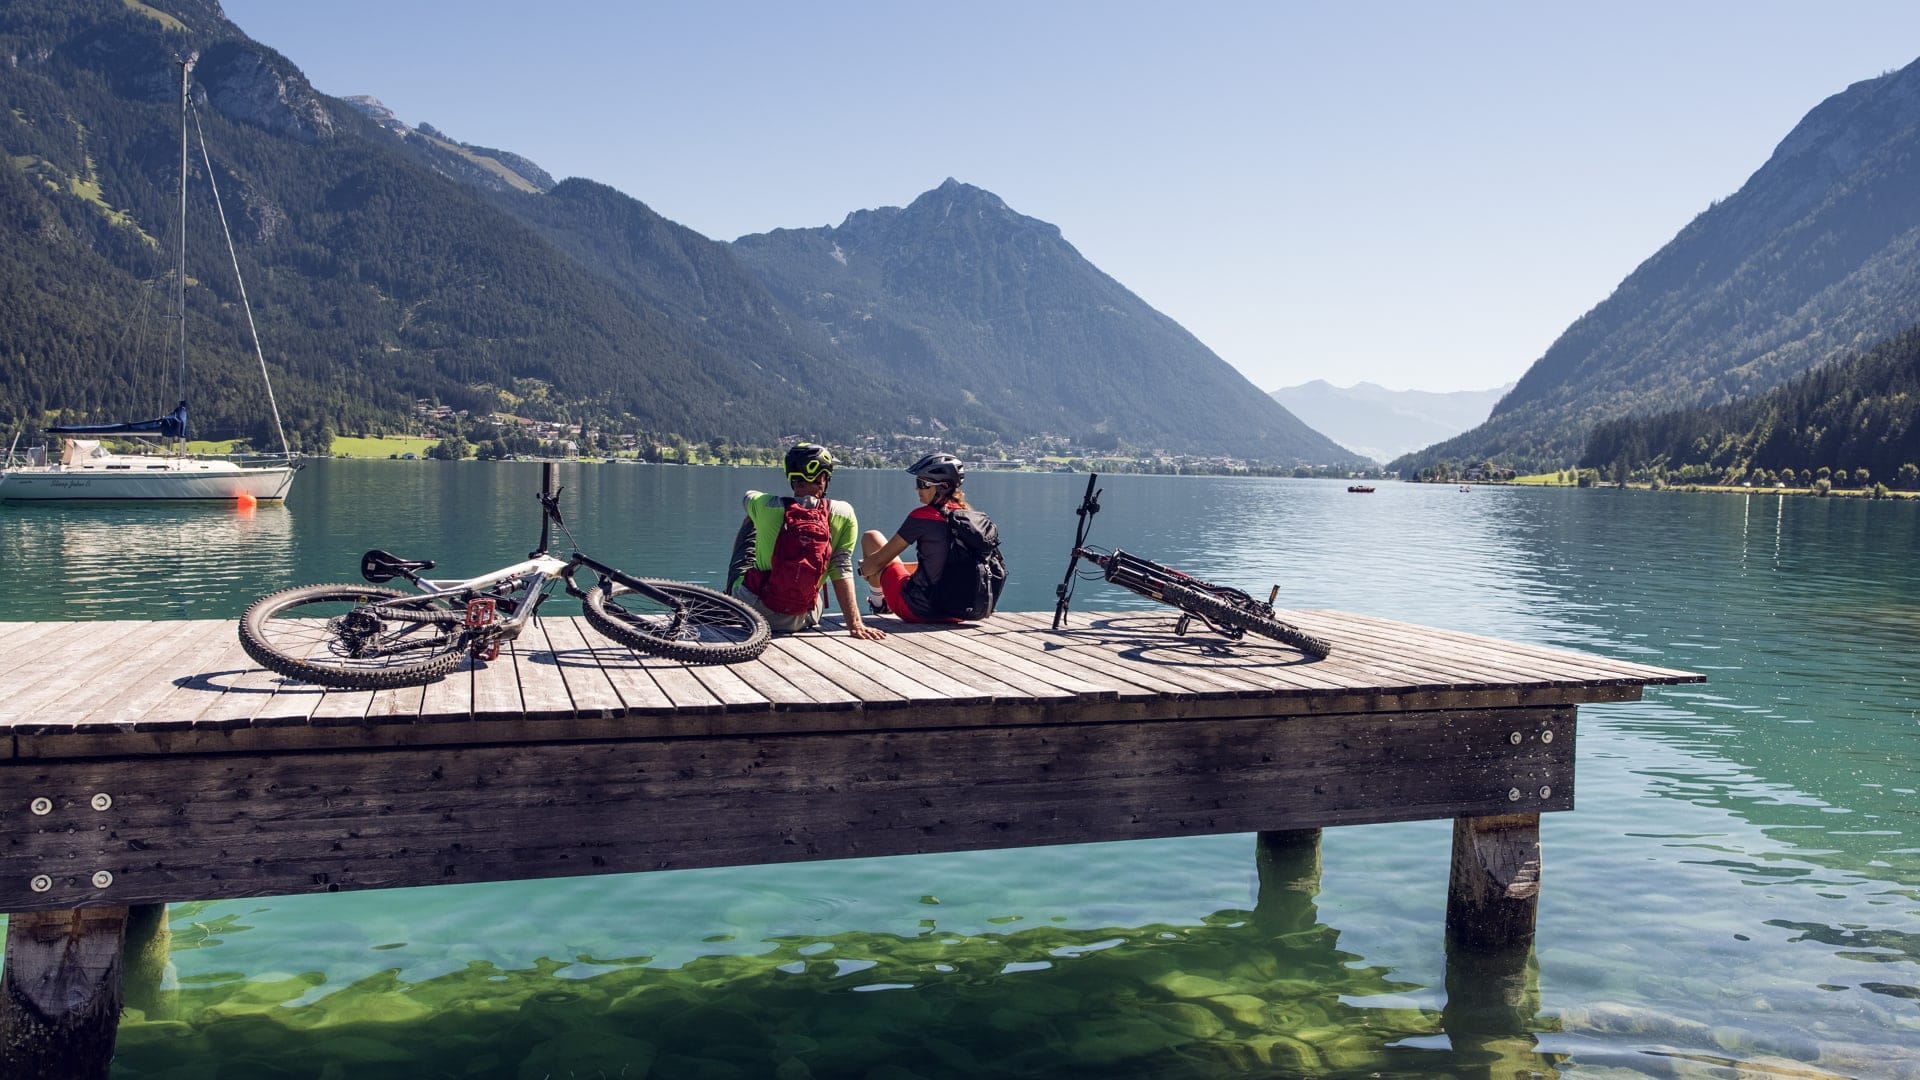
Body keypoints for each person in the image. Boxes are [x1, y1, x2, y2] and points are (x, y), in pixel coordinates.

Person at [726, 443, 885, 640]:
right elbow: (841, 567)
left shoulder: (767, 505)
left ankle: (728, 599)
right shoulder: (844, 513)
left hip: (753, 610)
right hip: (804, 617)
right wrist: (855, 623)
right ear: (823, 478)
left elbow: (747, 496)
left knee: (751, 520)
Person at [858, 452, 1002, 623]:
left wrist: (865, 570)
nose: (917, 488)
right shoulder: (971, 520)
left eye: (922, 483)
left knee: (871, 537)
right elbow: (948, 566)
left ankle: (879, 604)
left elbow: (879, 562)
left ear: (942, 486)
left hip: (918, 609)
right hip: (958, 612)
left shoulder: (922, 517)